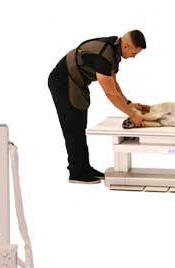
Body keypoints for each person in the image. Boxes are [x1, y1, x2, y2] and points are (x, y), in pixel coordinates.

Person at [48, 31, 151, 184]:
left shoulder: (114, 51)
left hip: (76, 82)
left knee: (79, 125)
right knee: (73, 127)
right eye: (134, 53)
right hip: (63, 81)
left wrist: (129, 104)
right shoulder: (104, 55)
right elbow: (110, 93)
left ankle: (84, 168)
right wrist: (132, 115)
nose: (134, 57)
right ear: (126, 46)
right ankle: (77, 173)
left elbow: (114, 85)